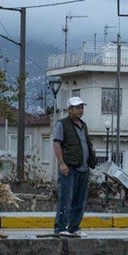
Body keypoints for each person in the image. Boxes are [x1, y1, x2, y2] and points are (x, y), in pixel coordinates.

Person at [53, 96, 96, 237]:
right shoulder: (62, 124)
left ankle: (74, 227)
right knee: (66, 198)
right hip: (69, 168)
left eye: (82, 107)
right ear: (69, 109)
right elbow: (56, 144)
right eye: (77, 107)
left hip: (83, 169)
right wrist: (62, 163)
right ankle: (60, 227)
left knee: (80, 200)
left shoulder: (83, 126)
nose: (80, 110)